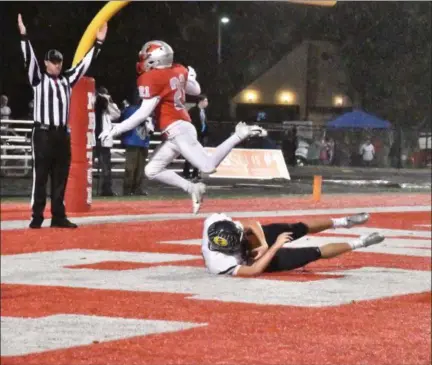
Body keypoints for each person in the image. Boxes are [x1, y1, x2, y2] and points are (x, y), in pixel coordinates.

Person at [99, 40, 267, 214]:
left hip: (178, 128)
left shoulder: (153, 78)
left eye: (146, 57)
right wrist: (191, 77)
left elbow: (143, 113)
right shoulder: (177, 70)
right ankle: (192, 188)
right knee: (151, 170)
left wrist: (115, 129)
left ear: (156, 59)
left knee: (207, 166)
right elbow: (195, 90)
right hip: (175, 130)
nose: (143, 61)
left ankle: (239, 134)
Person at [18, 14, 107, 228]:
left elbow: (84, 64)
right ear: (46, 63)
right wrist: (23, 36)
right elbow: (28, 59)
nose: (58, 65)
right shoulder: (38, 79)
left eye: (59, 62)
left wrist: (99, 43)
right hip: (43, 133)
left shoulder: (67, 79)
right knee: (41, 176)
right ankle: (37, 216)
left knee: (60, 175)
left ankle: (58, 215)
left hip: (61, 133)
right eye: (54, 62)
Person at [201, 212, 385, 277]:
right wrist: (274, 247)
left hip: (258, 247)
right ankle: (360, 243)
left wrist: (264, 243)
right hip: (251, 262)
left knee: (297, 228)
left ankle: (344, 221)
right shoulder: (219, 263)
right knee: (314, 252)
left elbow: (250, 223)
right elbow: (254, 271)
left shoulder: (214, 223)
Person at [120, 94, 152, 196]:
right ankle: (128, 189)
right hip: (133, 141)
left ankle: (137, 189)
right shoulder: (131, 110)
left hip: (142, 142)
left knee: (140, 168)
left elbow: (151, 126)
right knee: (131, 167)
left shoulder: (147, 111)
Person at [94, 86, 121, 196]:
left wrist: (108, 102)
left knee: (106, 167)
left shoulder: (108, 108)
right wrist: (96, 99)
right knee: (86, 166)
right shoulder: (91, 103)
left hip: (104, 140)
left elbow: (117, 115)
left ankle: (106, 190)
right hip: (92, 139)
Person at [182, 94, 209, 180]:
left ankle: (195, 173)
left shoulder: (203, 112)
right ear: (200, 101)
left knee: (199, 155)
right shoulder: (192, 111)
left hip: (201, 136)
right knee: (190, 155)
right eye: (205, 101)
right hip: (193, 136)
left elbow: (204, 123)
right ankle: (186, 172)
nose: (207, 103)